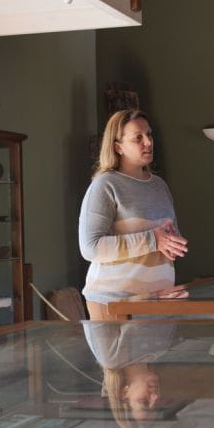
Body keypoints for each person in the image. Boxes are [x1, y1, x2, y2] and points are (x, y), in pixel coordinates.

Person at [79, 109, 188, 320]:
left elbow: (166, 238)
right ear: (117, 146)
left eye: (149, 134)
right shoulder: (105, 185)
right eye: (138, 137)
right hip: (114, 304)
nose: (148, 142)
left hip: (157, 302)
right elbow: (90, 248)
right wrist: (153, 240)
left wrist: (173, 244)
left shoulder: (159, 185)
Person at [82, 320, 178, 428]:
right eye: (157, 406)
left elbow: (96, 306)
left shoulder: (111, 356)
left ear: (124, 393)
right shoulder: (162, 350)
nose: (155, 397)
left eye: (144, 402)